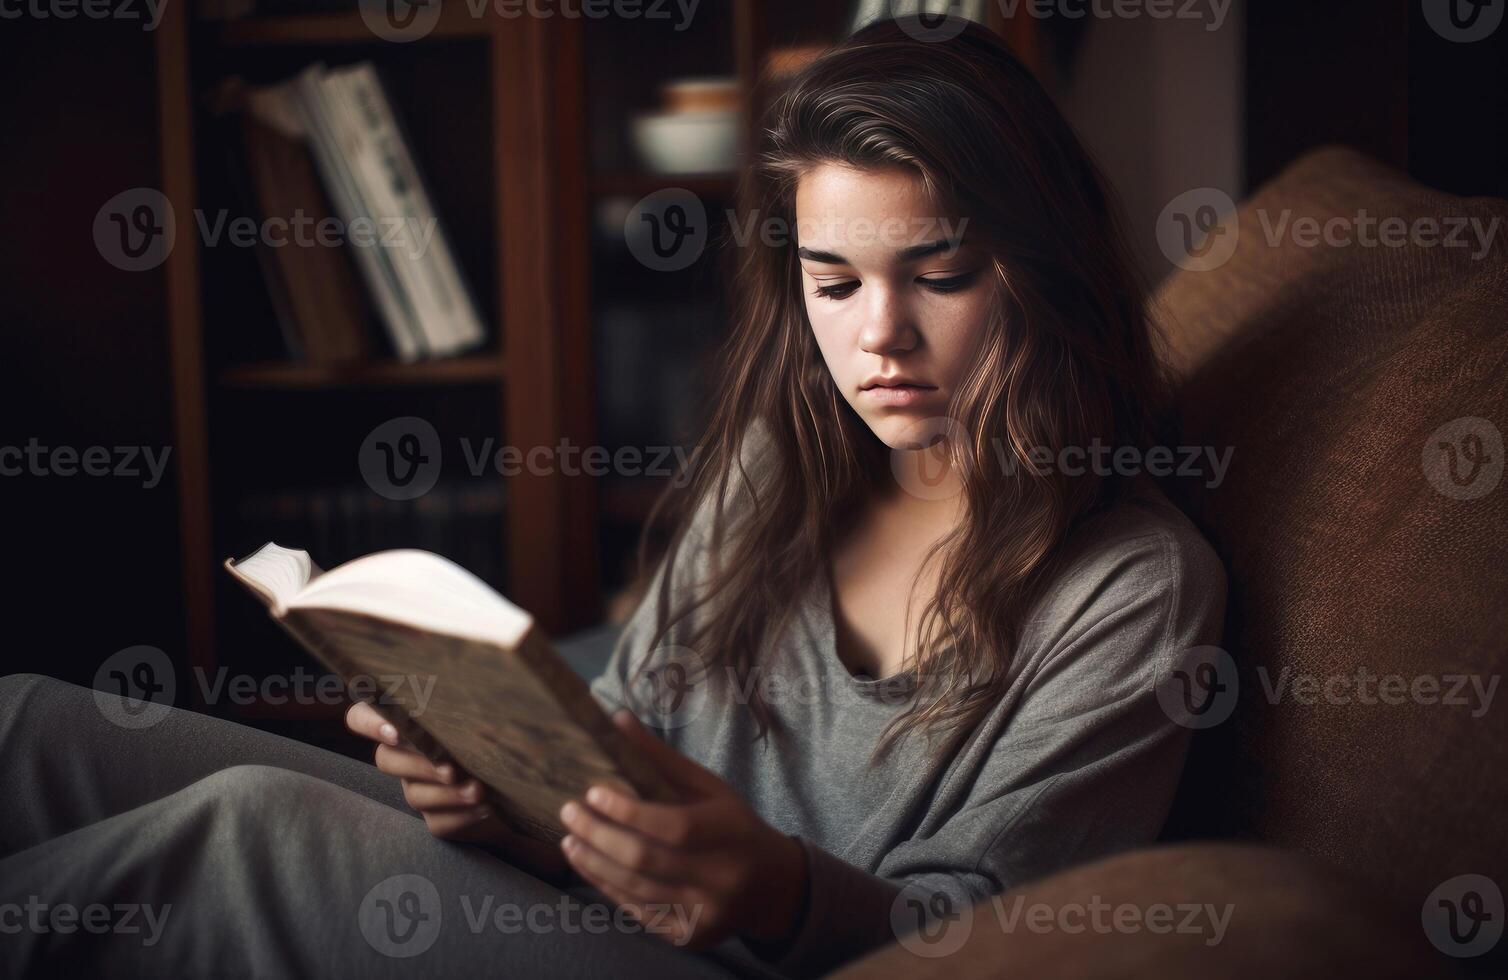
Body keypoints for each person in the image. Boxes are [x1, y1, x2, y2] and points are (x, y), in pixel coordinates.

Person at [0, 17, 1225, 979]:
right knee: (35, 728)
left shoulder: (1129, 587)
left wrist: (781, 888)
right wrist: (495, 794)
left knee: (245, 831)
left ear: (1044, 267)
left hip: (754, 963)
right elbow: (620, 732)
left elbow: (1002, 940)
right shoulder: (777, 466)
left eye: (940, 272)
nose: (879, 336)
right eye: (832, 281)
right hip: (581, 904)